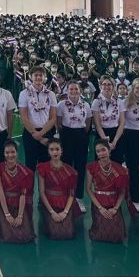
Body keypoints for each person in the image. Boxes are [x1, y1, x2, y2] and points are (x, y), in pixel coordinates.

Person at [112, 77, 139, 210]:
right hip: (131, 136)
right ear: (133, 88)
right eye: (137, 88)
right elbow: (122, 121)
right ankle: (134, 198)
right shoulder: (125, 103)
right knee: (133, 168)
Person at [57, 81, 91, 211]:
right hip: (66, 135)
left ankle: (78, 197)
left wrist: (81, 134)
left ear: (80, 90)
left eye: (76, 89)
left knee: (80, 167)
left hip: (81, 136)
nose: (73, 91)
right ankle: (65, 195)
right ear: (67, 91)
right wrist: (65, 134)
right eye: (71, 89)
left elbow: (88, 123)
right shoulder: (61, 105)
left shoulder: (86, 105)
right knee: (66, 166)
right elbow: (58, 122)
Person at [86, 140, 128, 243]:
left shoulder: (120, 169)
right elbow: (88, 189)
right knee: (101, 234)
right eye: (98, 151)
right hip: (99, 203)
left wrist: (115, 208)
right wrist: (100, 208)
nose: (101, 153)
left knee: (117, 235)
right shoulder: (91, 167)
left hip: (114, 203)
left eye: (103, 150)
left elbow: (122, 191)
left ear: (109, 151)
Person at [37, 139, 79, 239]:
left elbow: (71, 194)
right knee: (54, 233)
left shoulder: (70, 170)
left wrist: (65, 212)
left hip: (65, 203)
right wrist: (52, 212)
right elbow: (42, 192)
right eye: (51, 149)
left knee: (68, 233)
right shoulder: (42, 168)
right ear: (48, 152)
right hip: (49, 203)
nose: (55, 152)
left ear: (62, 151)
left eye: (57, 149)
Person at [18, 67, 57, 171]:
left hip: (47, 133)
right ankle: (29, 188)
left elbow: (53, 118)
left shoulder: (51, 94)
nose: (38, 77)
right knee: (30, 167)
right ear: (31, 77)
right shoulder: (24, 94)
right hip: (30, 133)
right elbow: (24, 117)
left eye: (41, 75)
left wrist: (41, 133)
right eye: (36, 75)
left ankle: (43, 188)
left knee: (45, 167)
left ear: (44, 78)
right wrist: (38, 136)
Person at [91, 77, 123, 164]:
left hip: (117, 135)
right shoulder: (96, 102)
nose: (107, 87)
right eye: (104, 84)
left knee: (117, 164)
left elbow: (122, 123)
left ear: (113, 86)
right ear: (100, 86)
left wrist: (114, 141)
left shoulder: (119, 101)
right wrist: (106, 142)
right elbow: (97, 125)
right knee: (101, 164)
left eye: (109, 84)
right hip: (101, 135)